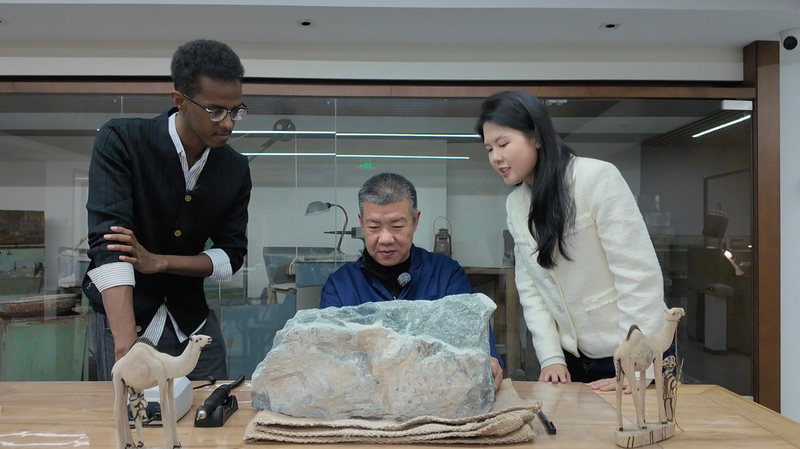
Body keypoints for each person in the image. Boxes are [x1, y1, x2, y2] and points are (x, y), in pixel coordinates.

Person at [476, 91, 666, 392]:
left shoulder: (596, 178)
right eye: (488, 149)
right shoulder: (515, 205)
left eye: (503, 144)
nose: (495, 157)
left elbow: (639, 275)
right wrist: (551, 356)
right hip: (572, 361)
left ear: (536, 137)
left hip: (627, 352)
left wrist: (636, 365)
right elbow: (531, 289)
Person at [84, 39, 252, 381]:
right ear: (180, 101)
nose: (229, 124)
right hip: (126, 323)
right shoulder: (123, 140)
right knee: (129, 422)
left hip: (193, 326)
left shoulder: (234, 168)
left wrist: (161, 262)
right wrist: (126, 346)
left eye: (236, 110)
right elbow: (110, 248)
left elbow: (230, 257)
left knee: (213, 418)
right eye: (216, 110)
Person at [320, 173, 504, 391]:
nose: (386, 238)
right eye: (374, 227)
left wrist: (489, 365)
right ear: (361, 222)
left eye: (397, 226)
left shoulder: (446, 275)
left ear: (415, 221)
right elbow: (328, 363)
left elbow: (480, 347)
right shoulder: (340, 286)